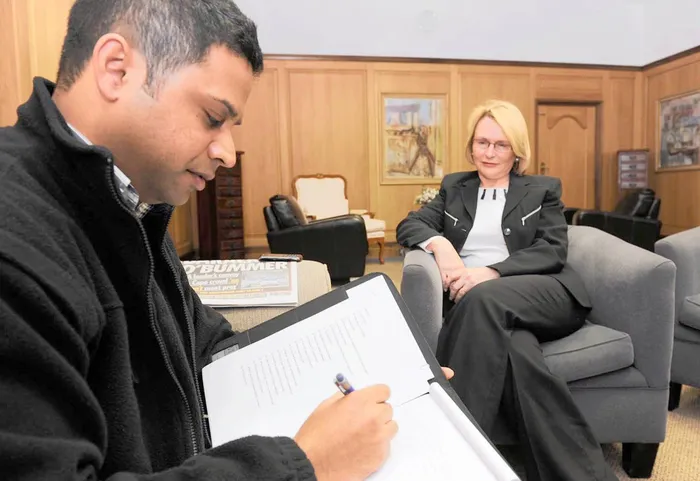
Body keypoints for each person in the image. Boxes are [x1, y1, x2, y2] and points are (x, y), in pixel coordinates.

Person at [0, 1, 453, 479]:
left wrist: (373, 374)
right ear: (117, 70)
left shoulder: (127, 202)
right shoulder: (17, 240)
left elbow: (204, 345)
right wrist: (306, 463)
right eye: (213, 117)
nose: (227, 153)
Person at [396, 99, 618, 481]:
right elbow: (409, 225)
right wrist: (441, 245)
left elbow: (552, 249)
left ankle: (454, 459)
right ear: (471, 145)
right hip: (485, 308)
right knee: (518, 352)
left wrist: (491, 272)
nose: (489, 152)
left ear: (517, 150)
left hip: (544, 292)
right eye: (482, 142)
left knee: (482, 297)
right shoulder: (455, 187)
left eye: (500, 144)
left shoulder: (542, 189)